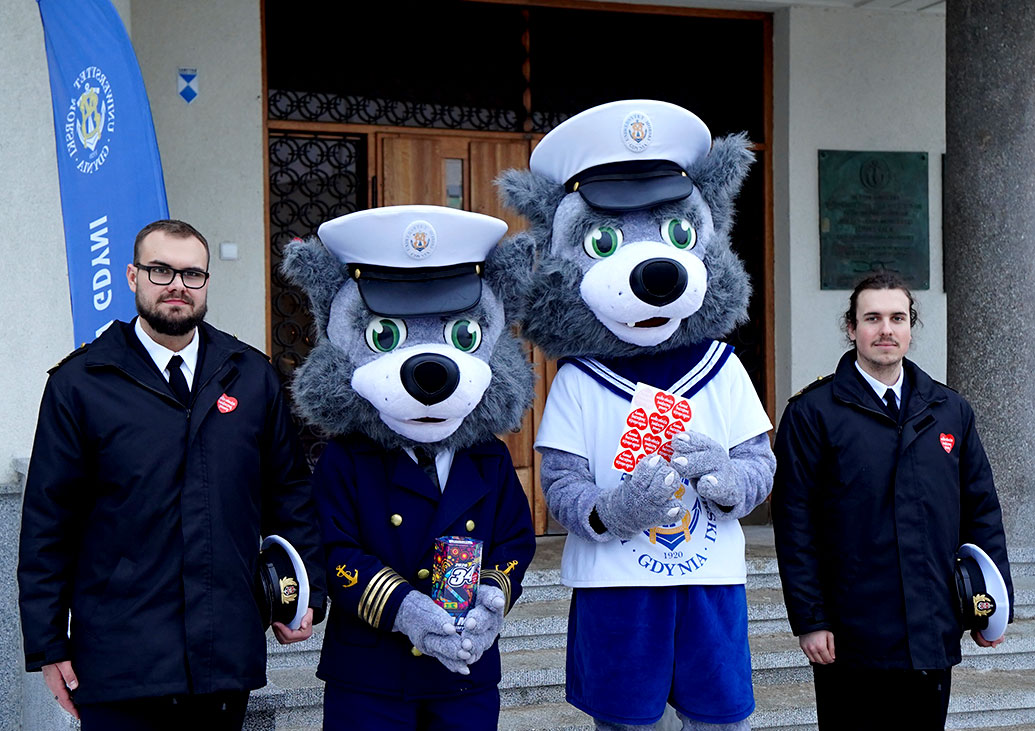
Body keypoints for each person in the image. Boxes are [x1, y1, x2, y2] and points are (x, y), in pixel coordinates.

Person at [18, 219, 327, 730]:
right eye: (161, 271)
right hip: (120, 660)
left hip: (223, 656)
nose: (177, 285)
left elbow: (290, 494)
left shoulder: (250, 376)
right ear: (132, 276)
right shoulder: (81, 384)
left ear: (206, 282)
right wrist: (49, 645)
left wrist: (304, 592)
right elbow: (48, 524)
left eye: (192, 274)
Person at [771, 271, 1013, 730]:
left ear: (910, 327)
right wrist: (811, 618)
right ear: (851, 328)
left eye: (897, 318)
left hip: (931, 627)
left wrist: (990, 607)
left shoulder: (950, 410)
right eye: (873, 318)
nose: (886, 330)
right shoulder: (812, 413)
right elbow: (794, 522)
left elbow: (982, 512)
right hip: (850, 635)